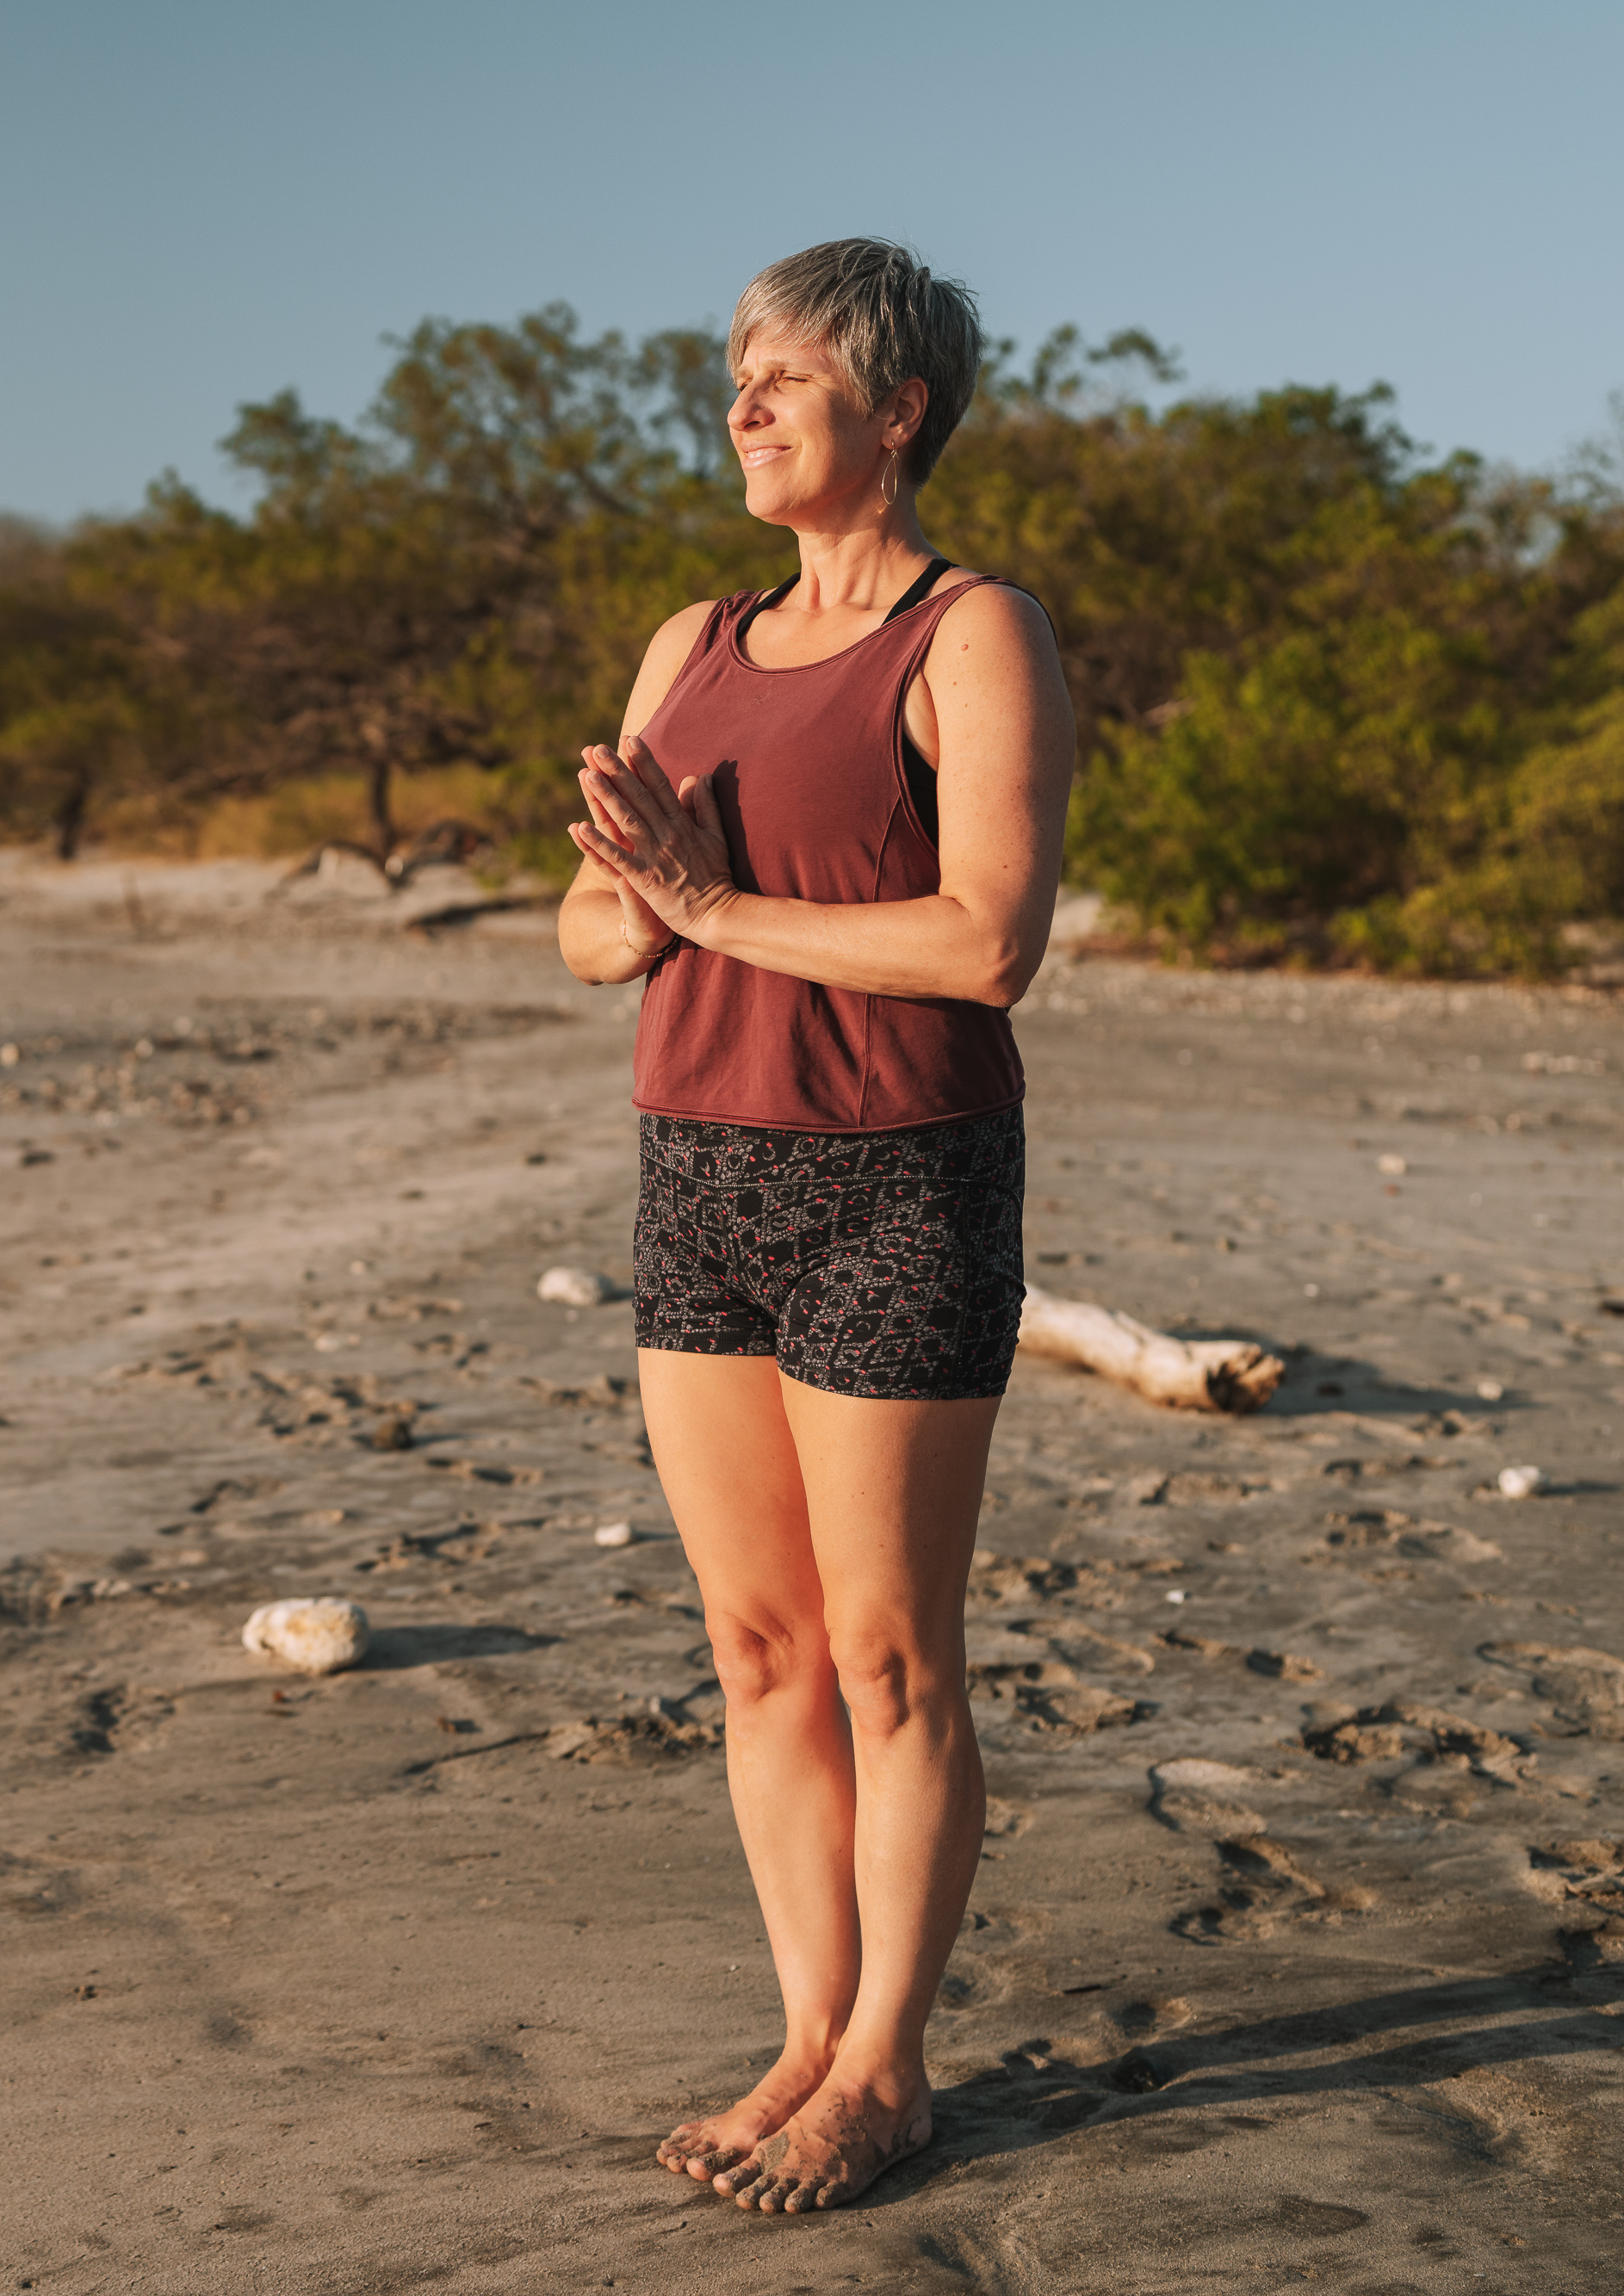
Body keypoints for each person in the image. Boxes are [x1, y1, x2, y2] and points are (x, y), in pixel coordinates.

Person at [555, 238, 1076, 2214]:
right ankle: (801, 2024)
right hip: (692, 1166)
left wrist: (703, 910)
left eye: (782, 380)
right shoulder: (691, 635)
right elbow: (588, 924)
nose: (741, 409)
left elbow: (985, 941)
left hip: (896, 1171)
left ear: (898, 410)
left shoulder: (971, 633)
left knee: (884, 1656)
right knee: (757, 1644)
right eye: (733, 381)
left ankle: (887, 2065)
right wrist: (633, 900)